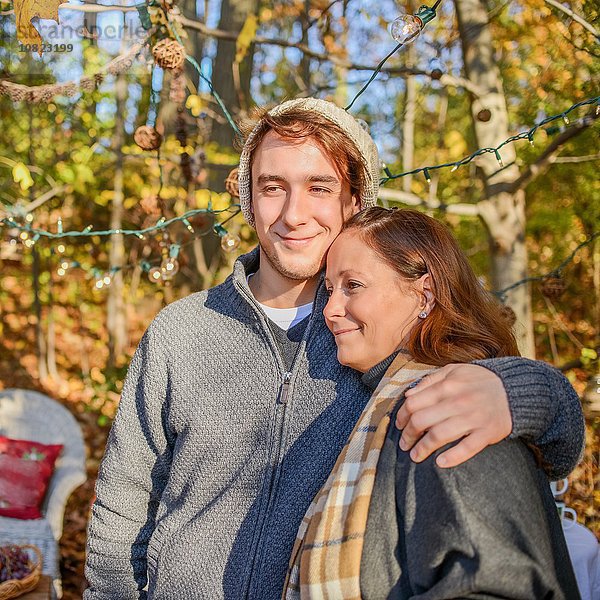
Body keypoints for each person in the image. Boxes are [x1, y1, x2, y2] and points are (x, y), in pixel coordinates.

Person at [84, 98, 584, 599]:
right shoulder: (182, 331)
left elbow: (547, 442)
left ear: (353, 201)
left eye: (318, 187)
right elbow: (122, 510)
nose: (293, 214)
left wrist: (517, 389)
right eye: (272, 188)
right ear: (249, 201)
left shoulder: (375, 330)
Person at [284, 207, 580, 599]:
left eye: (352, 285)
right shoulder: (386, 405)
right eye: (329, 289)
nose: (329, 309)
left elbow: (495, 586)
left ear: (424, 295)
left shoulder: (454, 407)